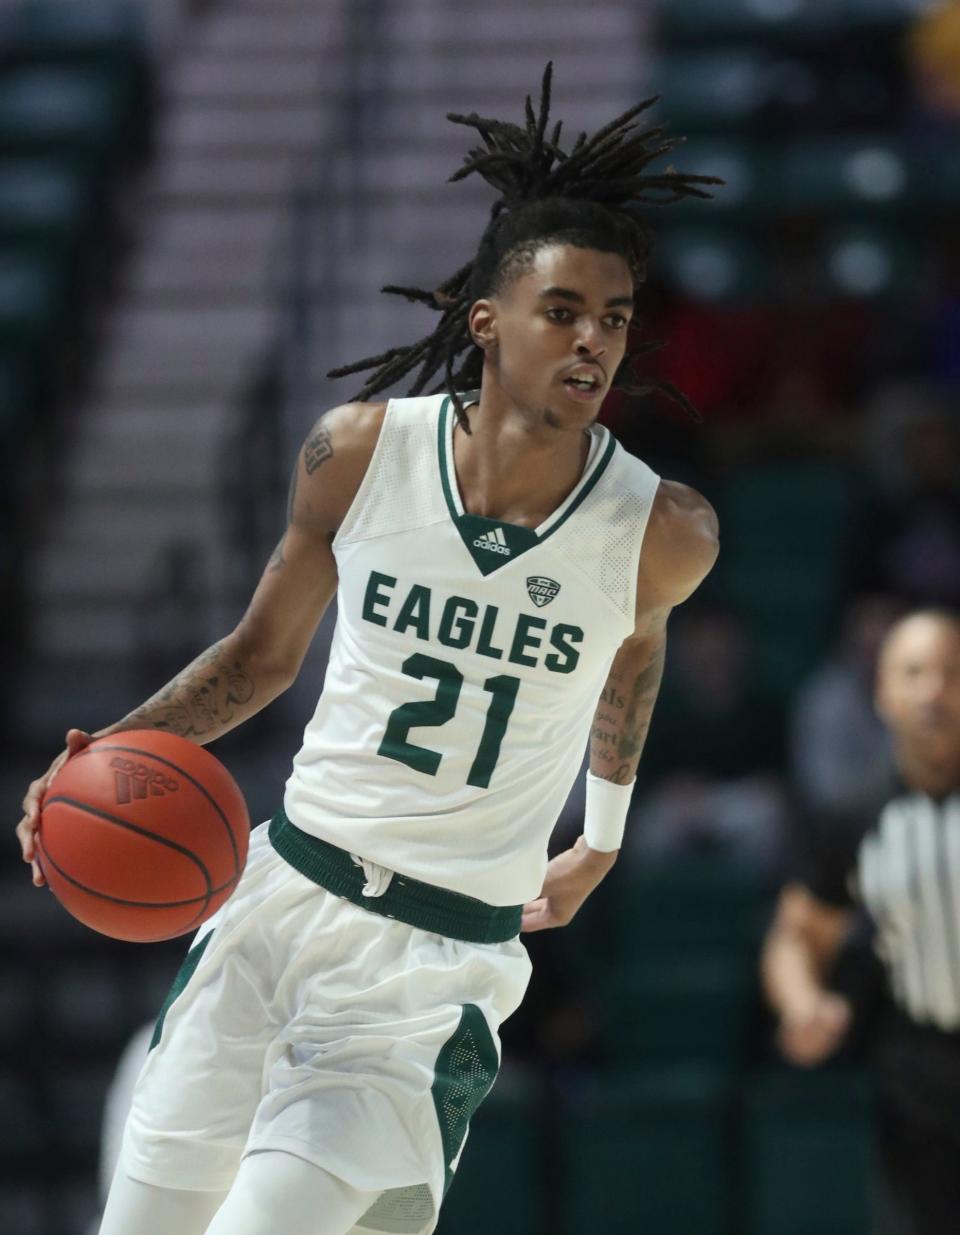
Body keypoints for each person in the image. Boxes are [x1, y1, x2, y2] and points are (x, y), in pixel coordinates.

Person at [17, 67, 720, 1235]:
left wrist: (600, 834)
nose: (595, 338)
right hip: (279, 897)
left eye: (615, 316)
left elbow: (632, 662)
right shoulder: (356, 453)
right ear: (487, 321)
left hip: (430, 970)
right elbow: (256, 659)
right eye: (564, 311)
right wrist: (105, 754)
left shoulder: (663, 530)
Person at [762, 608, 960, 1235]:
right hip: (920, 1083)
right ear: (882, 693)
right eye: (914, 672)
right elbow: (798, 937)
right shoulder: (856, 818)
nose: (933, 690)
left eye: (952, 673)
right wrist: (803, 1005)